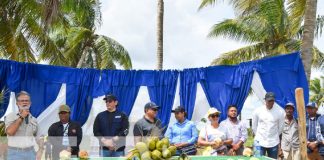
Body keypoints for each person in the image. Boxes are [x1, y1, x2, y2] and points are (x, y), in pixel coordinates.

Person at [4, 91, 44, 160]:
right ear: (17, 103)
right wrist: (22, 116)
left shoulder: (34, 120)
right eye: (22, 101)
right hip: (14, 153)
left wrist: (40, 150)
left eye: (27, 101)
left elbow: (40, 137)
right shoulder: (10, 117)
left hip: (31, 153)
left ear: (30, 103)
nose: (24, 102)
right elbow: (10, 132)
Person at [252, 92, 285, 159]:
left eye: (272, 100)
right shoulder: (257, 111)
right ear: (265, 100)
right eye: (269, 100)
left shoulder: (281, 111)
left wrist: (273, 135)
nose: (271, 102)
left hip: (273, 142)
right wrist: (259, 135)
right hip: (259, 141)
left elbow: (281, 128)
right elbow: (254, 126)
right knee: (257, 159)